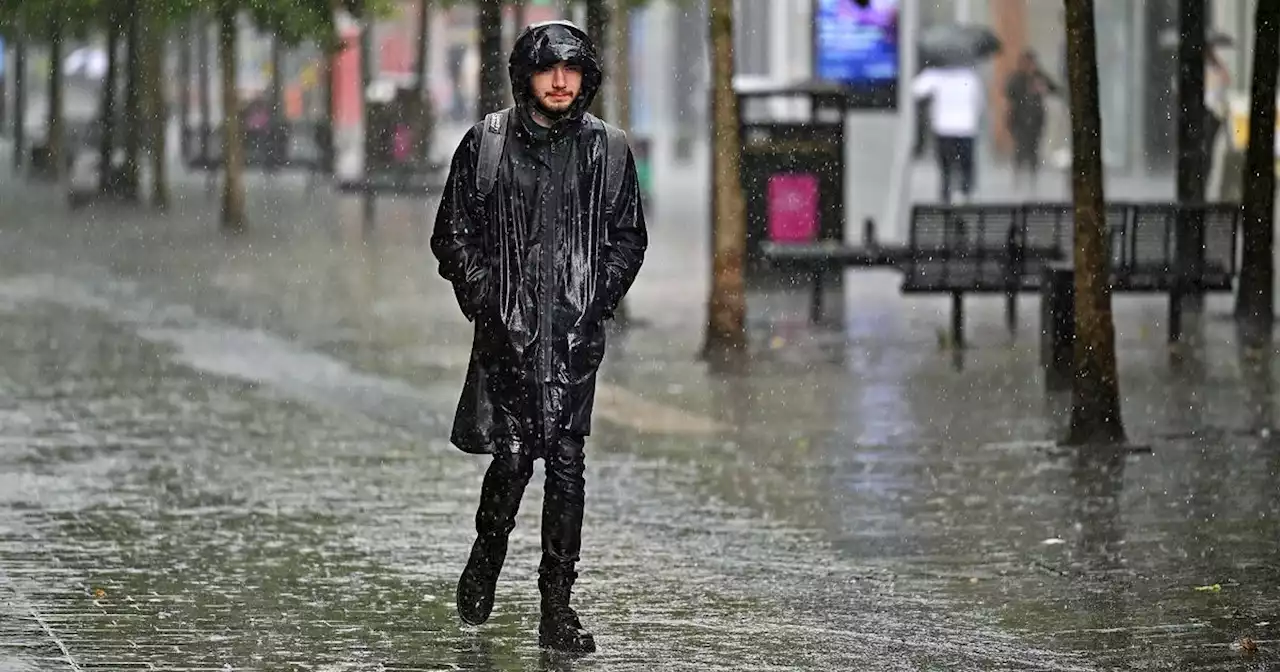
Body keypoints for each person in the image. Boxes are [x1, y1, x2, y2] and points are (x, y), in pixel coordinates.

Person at [430, 20, 647, 654]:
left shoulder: (609, 150)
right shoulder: (487, 144)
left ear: (587, 77)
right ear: (525, 74)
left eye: (571, 69)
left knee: (569, 465)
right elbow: (453, 234)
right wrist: (487, 303)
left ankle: (557, 608)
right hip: (508, 340)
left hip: (575, 343)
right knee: (515, 456)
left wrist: (594, 301)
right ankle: (487, 552)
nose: (559, 81)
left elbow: (628, 239)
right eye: (548, 68)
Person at [912, 61, 984, 204]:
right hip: (965, 127)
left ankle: (947, 194)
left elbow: (916, 90)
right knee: (966, 164)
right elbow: (980, 103)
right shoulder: (970, 78)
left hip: (944, 128)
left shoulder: (937, 75)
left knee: (946, 165)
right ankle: (965, 193)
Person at [1004, 49, 1059, 191]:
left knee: (1034, 148)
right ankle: (1017, 178)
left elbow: (1055, 89)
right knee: (1020, 148)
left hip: (1036, 119)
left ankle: (1033, 179)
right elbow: (1009, 94)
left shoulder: (1039, 77)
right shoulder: (1016, 78)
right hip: (1019, 119)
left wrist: (1043, 88)